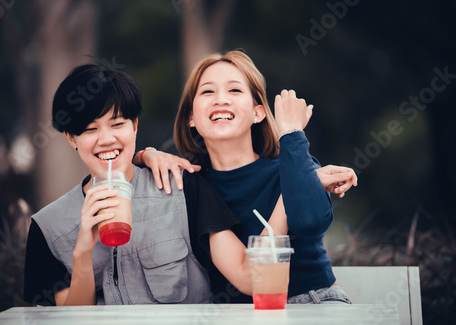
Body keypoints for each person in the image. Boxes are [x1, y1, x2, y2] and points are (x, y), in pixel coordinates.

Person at [23, 64, 270, 306]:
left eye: (117, 124)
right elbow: (67, 322)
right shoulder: (48, 227)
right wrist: (83, 253)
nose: (107, 139)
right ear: (71, 138)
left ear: (135, 126)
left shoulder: (183, 188)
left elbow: (249, 276)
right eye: (90, 129)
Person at [138, 50, 358, 304]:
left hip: (315, 301)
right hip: (239, 315)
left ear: (258, 113)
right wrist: (145, 155)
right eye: (208, 91)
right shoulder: (192, 185)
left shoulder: (293, 163)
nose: (221, 99)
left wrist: (291, 133)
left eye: (234, 91)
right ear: (190, 118)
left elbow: (311, 223)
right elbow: (123, 168)